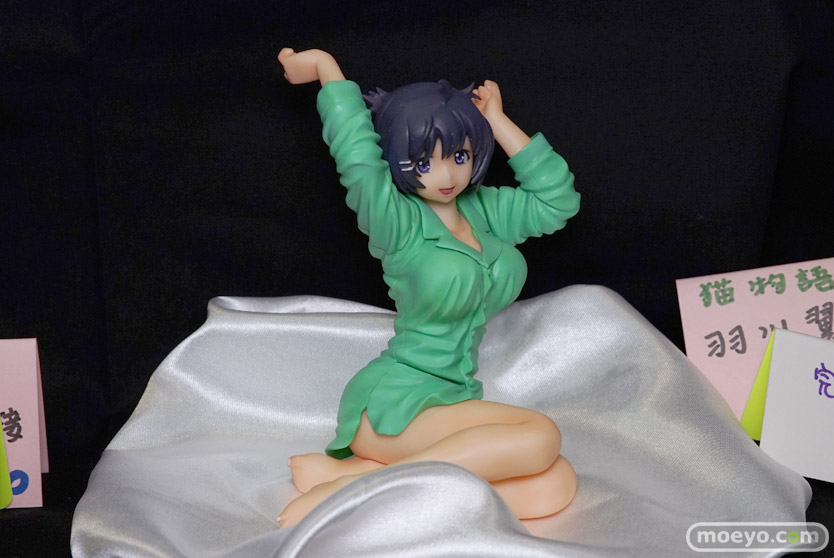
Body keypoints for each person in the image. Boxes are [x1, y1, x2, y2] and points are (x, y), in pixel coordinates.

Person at [276, 47, 580, 528]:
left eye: (459, 156)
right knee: (542, 436)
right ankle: (355, 491)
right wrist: (325, 69)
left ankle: (365, 480)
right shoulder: (397, 222)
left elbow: (556, 201)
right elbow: (357, 158)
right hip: (394, 404)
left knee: (554, 485)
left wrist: (496, 121)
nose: (446, 176)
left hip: (454, 397)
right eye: (423, 162)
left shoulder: (485, 211)